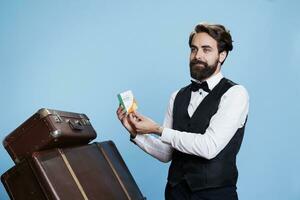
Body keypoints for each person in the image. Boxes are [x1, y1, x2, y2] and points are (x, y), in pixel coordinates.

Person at [117, 22, 249, 200]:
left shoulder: (235, 94)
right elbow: (166, 153)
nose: (197, 55)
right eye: (194, 49)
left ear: (222, 55)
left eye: (206, 49)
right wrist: (136, 133)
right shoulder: (177, 96)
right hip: (175, 193)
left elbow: (208, 147)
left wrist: (156, 129)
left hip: (215, 195)